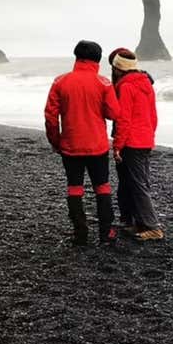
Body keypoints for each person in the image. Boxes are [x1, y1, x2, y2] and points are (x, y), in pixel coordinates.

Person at [44, 40, 121, 245]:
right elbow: (114, 113)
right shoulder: (103, 83)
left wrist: (55, 141)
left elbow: (51, 116)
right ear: (97, 60)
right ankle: (106, 233)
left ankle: (80, 233)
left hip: (70, 144)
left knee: (74, 187)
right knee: (102, 186)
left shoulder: (60, 82)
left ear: (76, 57)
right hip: (97, 145)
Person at [109, 47, 164, 241]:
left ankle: (152, 226)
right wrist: (150, 134)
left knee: (138, 184)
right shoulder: (146, 83)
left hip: (131, 142)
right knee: (135, 182)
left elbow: (124, 120)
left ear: (118, 68)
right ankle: (137, 222)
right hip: (145, 138)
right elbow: (153, 115)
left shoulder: (125, 86)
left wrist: (117, 146)